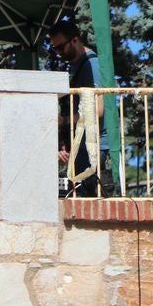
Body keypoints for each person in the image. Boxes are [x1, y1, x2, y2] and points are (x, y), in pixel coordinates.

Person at [48, 19, 110, 196]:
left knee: (83, 201)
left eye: (61, 47)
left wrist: (64, 120)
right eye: (55, 49)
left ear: (75, 40)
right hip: (81, 145)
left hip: (93, 146)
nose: (58, 53)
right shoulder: (78, 66)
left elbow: (97, 110)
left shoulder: (92, 65)